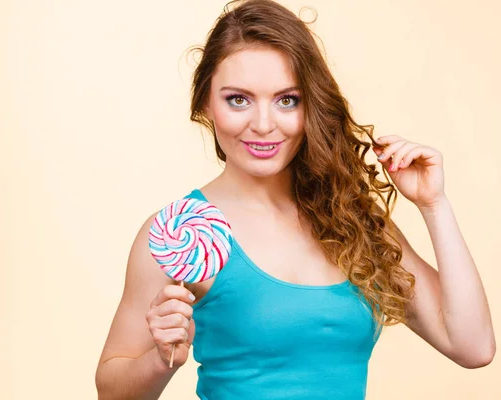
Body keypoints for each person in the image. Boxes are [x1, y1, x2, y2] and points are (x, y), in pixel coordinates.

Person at [94, 0, 496, 398]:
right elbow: (112, 392)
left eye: (287, 100)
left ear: (311, 106)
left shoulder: (350, 220)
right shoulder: (178, 232)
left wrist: (433, 205)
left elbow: (473, 348)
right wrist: (161, 358)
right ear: (205, 102)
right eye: (238, 99)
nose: (264, 125)